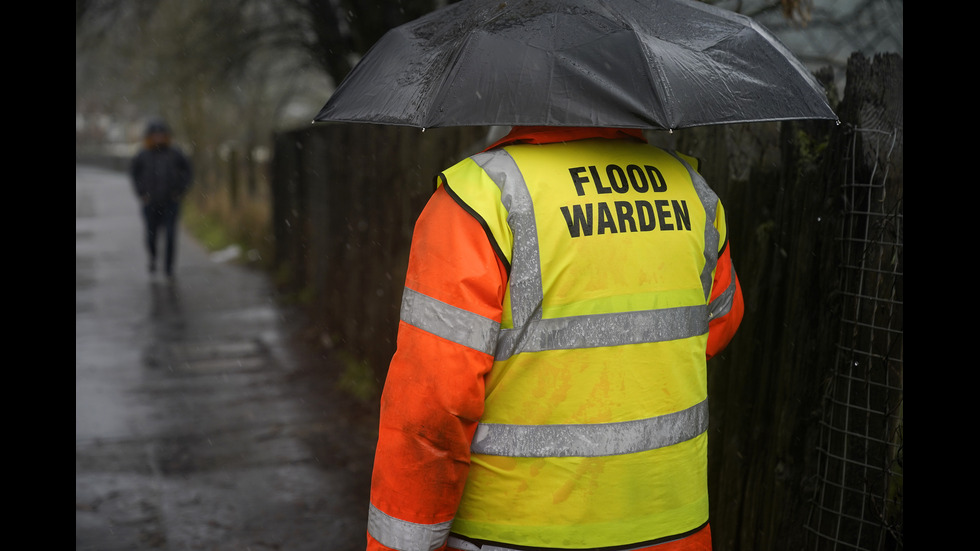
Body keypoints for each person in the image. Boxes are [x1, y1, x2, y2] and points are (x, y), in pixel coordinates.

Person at [367, 126, 744, 551]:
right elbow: (719, 322)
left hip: (515, 534)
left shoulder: (481, 198)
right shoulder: (694, 193)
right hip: (673, 530)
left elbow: (432, 409)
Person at [130, 119, 193, 279]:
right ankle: (153, 258)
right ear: (149, 137)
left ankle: (169, 268)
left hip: (170, 202)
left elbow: (188, 171)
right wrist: (141, 193)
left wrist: (180, 190)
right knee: (151, 236)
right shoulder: (142, 155)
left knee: (171, 235)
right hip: (150, 203)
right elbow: (134, 174)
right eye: (155, 135)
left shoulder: (175, 153)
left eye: (161, 135)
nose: (158, 138)